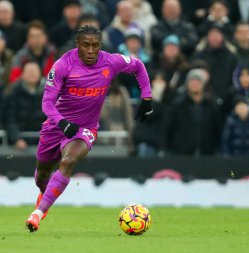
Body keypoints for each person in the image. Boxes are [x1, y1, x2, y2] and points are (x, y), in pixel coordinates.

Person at [25, 25, 153, 232]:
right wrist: (61, 122)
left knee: (68, 161)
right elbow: (47, 103)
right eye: (86, 45)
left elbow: (138, 65)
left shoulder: (110, 61)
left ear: (100, 45)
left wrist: (146, 97)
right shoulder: (62, 65)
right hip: (56, 125)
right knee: (42, 177)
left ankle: (37, 213)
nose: (91, 51)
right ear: (78, 45)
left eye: (95, 45)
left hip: (85, 128)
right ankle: (44, 197)